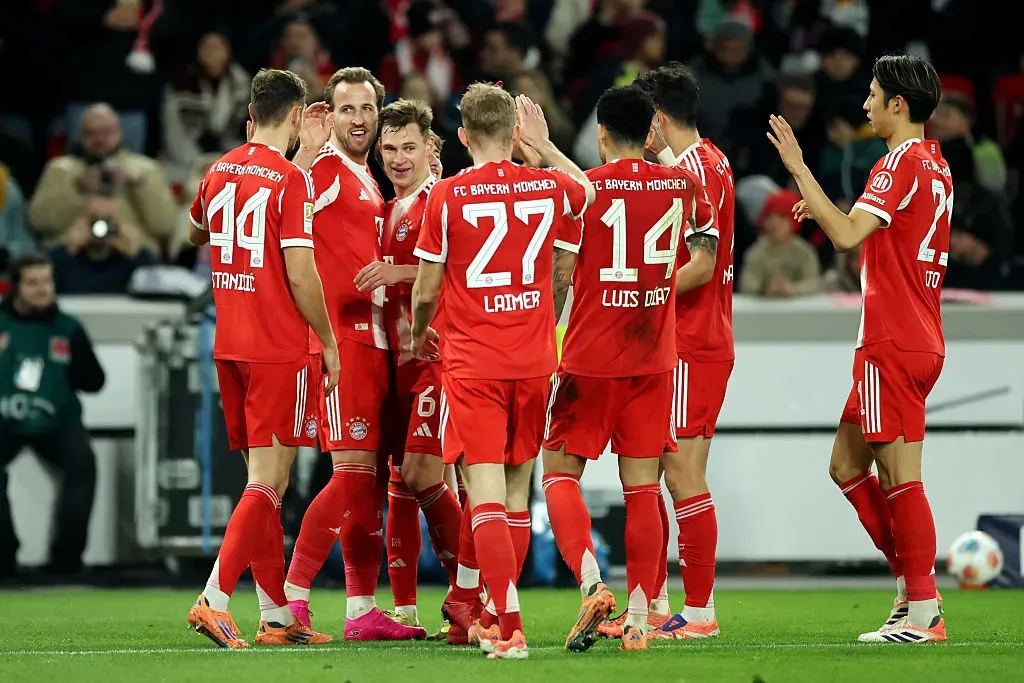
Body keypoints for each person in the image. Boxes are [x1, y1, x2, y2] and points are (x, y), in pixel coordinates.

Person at [768, 54, 950, 644]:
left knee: (901, 477)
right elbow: (867, 229)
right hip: (919, 336)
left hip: (891, 340)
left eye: (873, 95)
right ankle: (912, 588)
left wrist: (799, 169)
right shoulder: (935, 164)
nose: (865, 104)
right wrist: (821, 206)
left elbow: (847, 235)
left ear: (899, 104)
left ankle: (922, 610)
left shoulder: (895, 164)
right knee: (846, 466)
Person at [410, 84, 594, 660]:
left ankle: (509, 627)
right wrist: (546, 146)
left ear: (462, 136)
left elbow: (425, 290)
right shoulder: (546, 185)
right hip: (535, 359)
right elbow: (587, 190)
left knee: (484, 492)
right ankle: (492, 613)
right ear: (514, 134)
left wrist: (419, 334)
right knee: (517, 492)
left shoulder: (446, 195)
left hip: (474, 361)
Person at [541, 85, 717, 654]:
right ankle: (640, 619)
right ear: (650, 133)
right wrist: (655, 293)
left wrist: (546, 341)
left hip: (590, 356)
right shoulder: (684, 185)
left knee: (559, 472)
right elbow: (705, 261)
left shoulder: (587, 191)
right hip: (654, 357)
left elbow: (563, 275)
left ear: (599, 134)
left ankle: (593, 581)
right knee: (642, 487)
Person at [184, 68, 340, 649]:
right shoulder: (289, 181)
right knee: (271, 483)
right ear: (297, 117)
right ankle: (214, 598)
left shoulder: (220, 168)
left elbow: (196, 233)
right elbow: (301, 273)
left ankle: (275, 615)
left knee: (259, 481)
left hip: (230, 345)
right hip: (277, 348)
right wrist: (327, 340)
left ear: (251, 114)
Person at [284, 67, 426, 642]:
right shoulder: (321, 170)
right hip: (340, 341)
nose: (360, 119)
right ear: (329, 114)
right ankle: (291, 598)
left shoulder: (364, 178)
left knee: (367, 484)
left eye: (367, 108)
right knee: (349, 478)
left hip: (375, 343)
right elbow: (278, 210)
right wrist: (300, 156)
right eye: (347, 110)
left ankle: (362, 609)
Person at [630, 62, 736, 640]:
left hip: (693, 341)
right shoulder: (711, 160)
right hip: (693, 341)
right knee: (662, 467)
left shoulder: (693, 170)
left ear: (659, 120)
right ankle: (656, 601)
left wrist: (644, 290)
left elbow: (703, 263)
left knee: (683, 471)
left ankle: (699, 612)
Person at [353, 99, 466, 638]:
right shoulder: (383, 206)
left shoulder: (440, 201)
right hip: (393, 364)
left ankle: (470, 593)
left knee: (425, 474)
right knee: (400, 480)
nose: (398, 158)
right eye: (390, 148)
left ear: (432, 149)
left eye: (409, 147)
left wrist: (396, 271)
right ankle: (405, 608)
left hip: (435, 361)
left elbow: (453, 271)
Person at [0, 253, 105, 579]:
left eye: (46, 281)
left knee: (83, 464)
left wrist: (79, 360)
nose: (43, 290)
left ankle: (67, 562)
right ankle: (4, 559)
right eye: (33, 283)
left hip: (58, 422)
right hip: (4, 420)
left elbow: (95, 382)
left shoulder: (68, 328)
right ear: (15, 286)